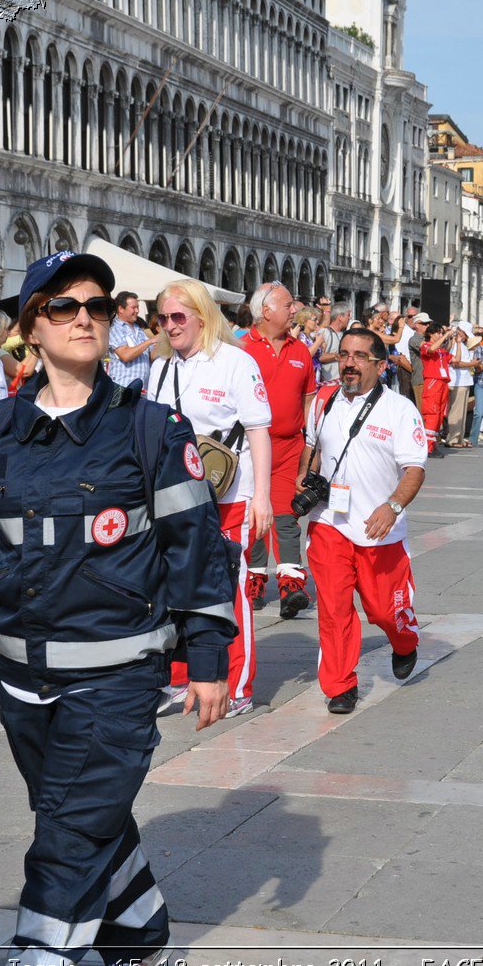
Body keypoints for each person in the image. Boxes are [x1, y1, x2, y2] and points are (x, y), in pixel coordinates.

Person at [0, 250, 236, 966]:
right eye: (64, 306)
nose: (85, 316)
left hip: (117, 676)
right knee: (80, 816)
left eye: (97, 302)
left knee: (63, 836)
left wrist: (209, 655)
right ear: (32, 328)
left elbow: (195, 550)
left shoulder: (151, 427)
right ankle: (140, 927)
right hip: (21, 679)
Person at [147, 279, 272, 718]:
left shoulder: (236, 362)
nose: (169, 325)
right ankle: (183, 678)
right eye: (162, 318)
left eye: (178, 316)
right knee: (176, 581)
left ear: (202, 316)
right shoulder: (159, 365)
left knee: (230, 586)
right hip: (176, 494)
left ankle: (237, 683)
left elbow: (258, 428)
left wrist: (261, 497)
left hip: (229, 492)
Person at [298, 327, 427, 714]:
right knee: (334, 608)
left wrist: (393, 506)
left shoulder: (400, 410)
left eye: (358, 356)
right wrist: (303, 483)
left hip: (378, 530)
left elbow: (414, 469)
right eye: (344, 355)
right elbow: (313, 449)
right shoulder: (323, 401)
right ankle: (340, 686)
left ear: (380, 365)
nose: (348, 363)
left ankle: (405, 641)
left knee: (385, 612)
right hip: (330, 523)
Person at [241, 282, 317, 619]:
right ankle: (254, 580)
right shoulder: (240, 347)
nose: (294, 310)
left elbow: (309, 399)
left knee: (287, 517)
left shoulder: (300, 349)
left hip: (289, 447)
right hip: (250, 448)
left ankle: (290, 584)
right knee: (254, 516)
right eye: (288, 305)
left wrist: (311, 446)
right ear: (266, 311)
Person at [106, 290, 155, 389]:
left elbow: (151, 356)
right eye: (133, 307)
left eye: (138, 307)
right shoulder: (114, 328)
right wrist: (151, 341)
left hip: (143, 390)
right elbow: (126, 355)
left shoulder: (138, 329)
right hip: (124, 389)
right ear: (121, 309)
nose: (137, 311)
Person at [417, 322, 452, 454]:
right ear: (430, 334)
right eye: (437, 332)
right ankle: (428, 445)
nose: (440, 335)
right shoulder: (425, 345)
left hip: (442, 383)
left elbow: (452, 356)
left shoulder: (441, 350)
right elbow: (430, 350)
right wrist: (445, 336)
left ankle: (433, 442)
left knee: (439, 414)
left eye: (441, 332)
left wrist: (454, 339)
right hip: (432, 382)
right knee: (431, 412)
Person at [445, 321, 479, 447]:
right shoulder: (455, 344)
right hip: (457, 381)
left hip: (464, 380)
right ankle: (452, 438)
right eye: (465, 334)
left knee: (462, 412)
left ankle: (459, 438)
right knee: (456, 411)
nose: (465, 337)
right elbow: (455, 363)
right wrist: (472, 364)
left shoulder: (461, 345)